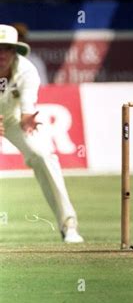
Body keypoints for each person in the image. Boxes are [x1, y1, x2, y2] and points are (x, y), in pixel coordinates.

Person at [0, 25, 83, 243]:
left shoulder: (27, 70)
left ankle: (69, 225)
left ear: (14, 50)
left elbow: (27, 108)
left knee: (43, 155)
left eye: (7, 48)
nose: (2, 54)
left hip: (13, 119)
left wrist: (28, 118)